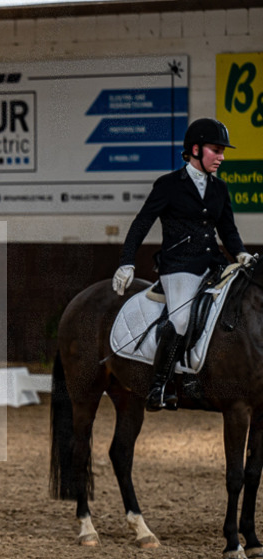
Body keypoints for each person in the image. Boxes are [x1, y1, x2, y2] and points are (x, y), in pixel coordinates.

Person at [112, 118, 253, 412]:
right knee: (179, 319)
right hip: (179, 267)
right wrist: (126, 263)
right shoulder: (168, 186)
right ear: (196, 150)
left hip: (214, 263)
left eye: (222, 151)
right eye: (217, 150)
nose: (222, 157)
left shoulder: (220, 189)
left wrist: (240, 254)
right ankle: (159, 386)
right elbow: (141, 224)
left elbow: (228, 231)